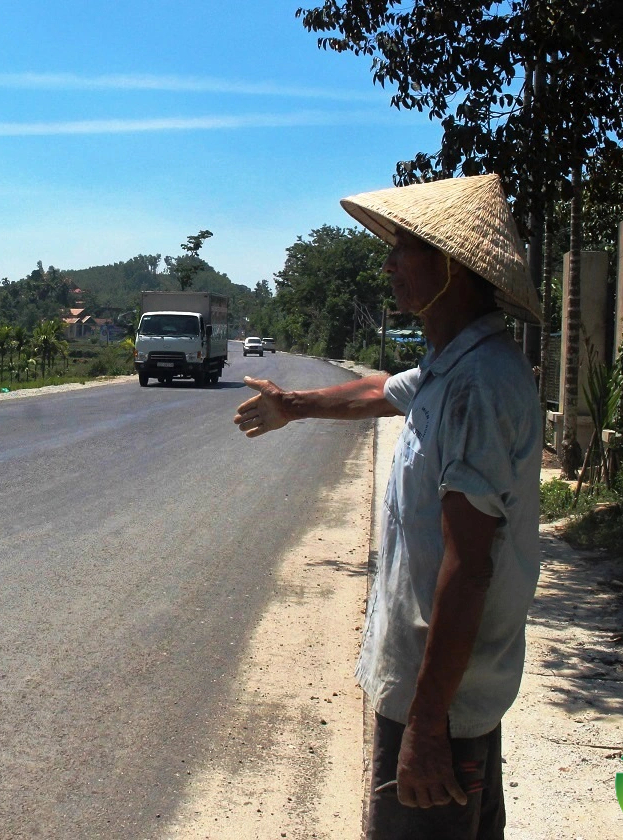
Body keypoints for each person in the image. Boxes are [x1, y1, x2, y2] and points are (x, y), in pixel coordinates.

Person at [233, 174, 543, 840]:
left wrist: (427, 729)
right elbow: (381, 391)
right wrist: (295, 405)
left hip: (440, 701)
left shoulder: (477, 387)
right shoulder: (449, 367)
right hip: (446, 692)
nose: (387, 264)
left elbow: (468, 569)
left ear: (450, 265)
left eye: (403, 248)